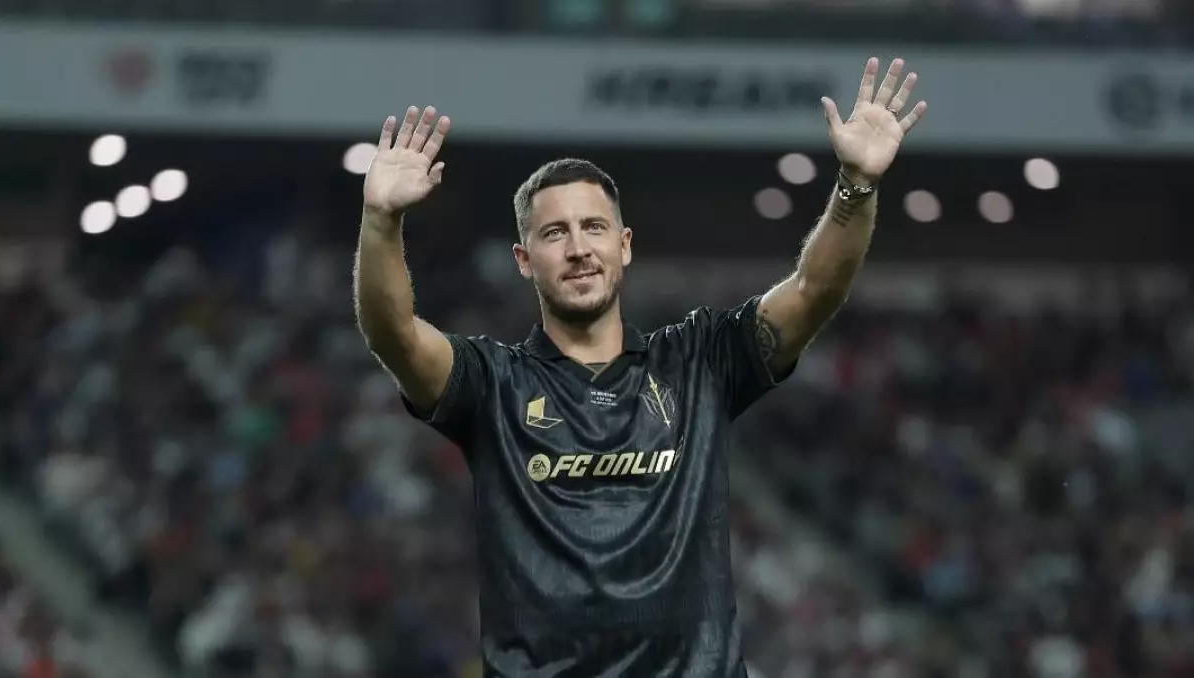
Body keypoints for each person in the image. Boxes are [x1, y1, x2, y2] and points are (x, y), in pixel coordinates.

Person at [353, 57, 927, 678]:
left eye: (594, 227)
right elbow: (394, 335)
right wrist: (381, 220)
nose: (579, 248)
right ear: (524, 258)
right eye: (555, 234)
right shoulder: (492, 384)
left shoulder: (701, 361)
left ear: (623, 245)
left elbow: (814, 290)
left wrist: (855, 185)